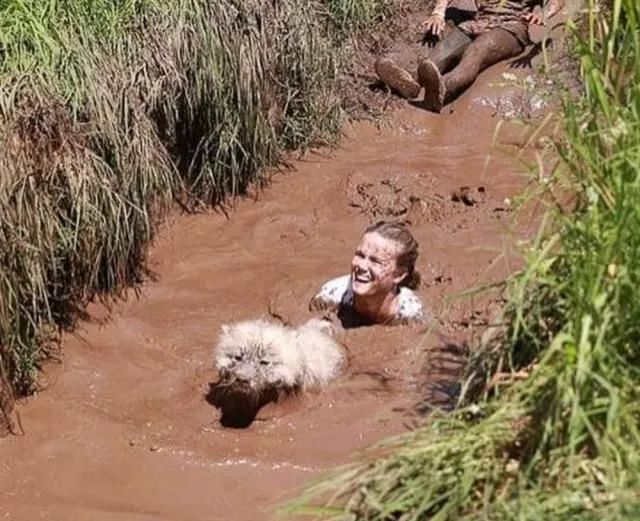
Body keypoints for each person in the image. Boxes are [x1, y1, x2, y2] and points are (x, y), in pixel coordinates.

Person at [375, 0, 565, 112]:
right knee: (442, 52)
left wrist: (544, 15)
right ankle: (411, 85)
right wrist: (438, 13)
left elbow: (557, 2)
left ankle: (442, 90)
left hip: (511, 28)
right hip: (477, 23)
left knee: (477, 50)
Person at [309, 221, 424, 328]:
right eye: (360, 255)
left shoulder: (412, 315)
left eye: (376, 261)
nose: (362, 266)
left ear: (399, 275)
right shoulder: (330, 298)